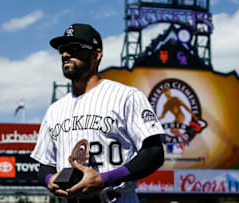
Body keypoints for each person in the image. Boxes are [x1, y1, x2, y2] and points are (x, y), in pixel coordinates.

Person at [30, 23, 165, 203]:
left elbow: (154, 152)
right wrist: (50, 180)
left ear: (96, 55)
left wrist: (104, 179)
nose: (65, 54)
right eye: (62, 50)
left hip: (116, 198)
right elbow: (44, 165)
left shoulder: (126, 96)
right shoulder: (55, 110)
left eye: (74, 48)